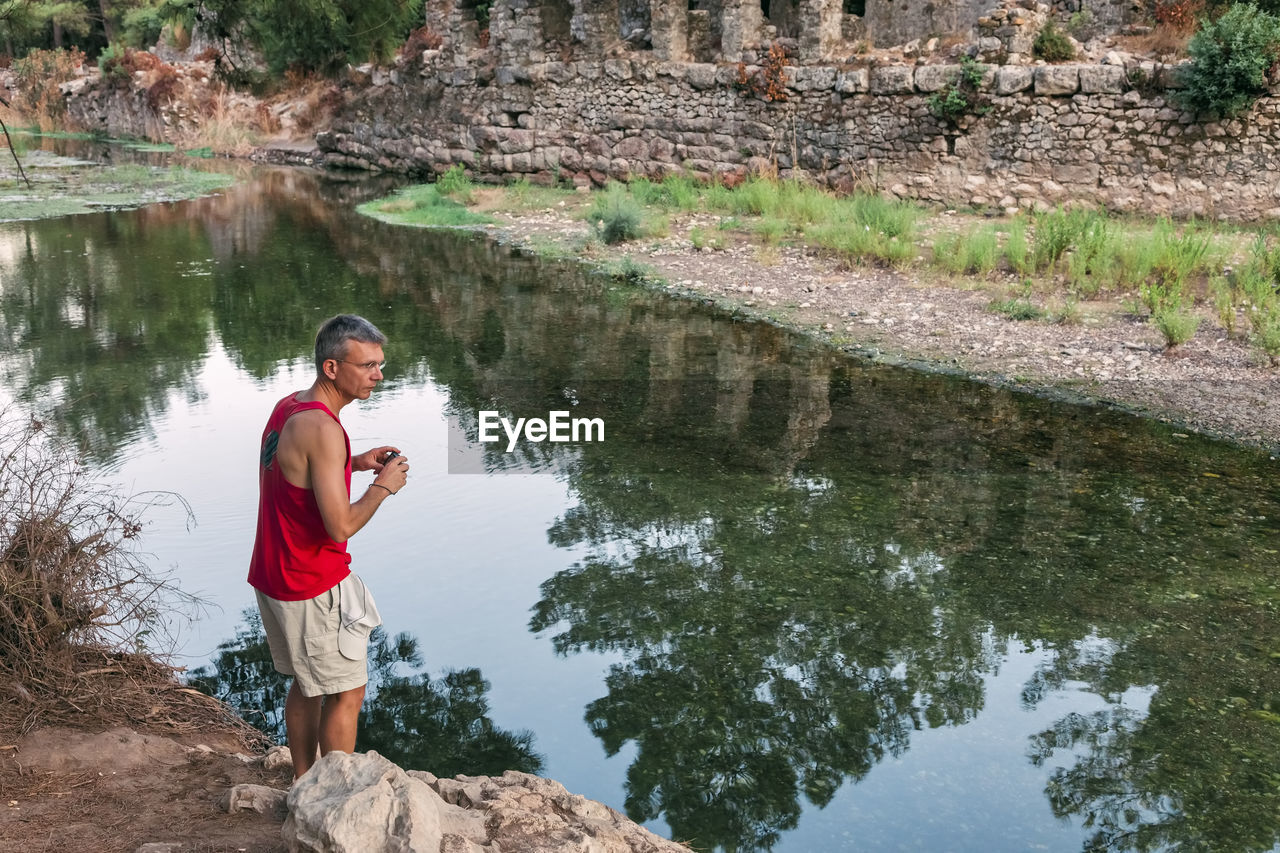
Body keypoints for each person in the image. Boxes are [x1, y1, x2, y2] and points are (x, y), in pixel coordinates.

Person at [247, 314, 409, 778]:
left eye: (380, 364)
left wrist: (353, 463)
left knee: (308, 682)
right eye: (368, 366)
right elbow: (339, 526)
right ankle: (336, 792)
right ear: (332, 368)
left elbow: (292, 471)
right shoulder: (324, 429)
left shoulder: (290, 407)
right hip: (311, 582)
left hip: (274, 573)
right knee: (346, 691)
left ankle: (304, 780)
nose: (379, 375)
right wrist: (383, 486)